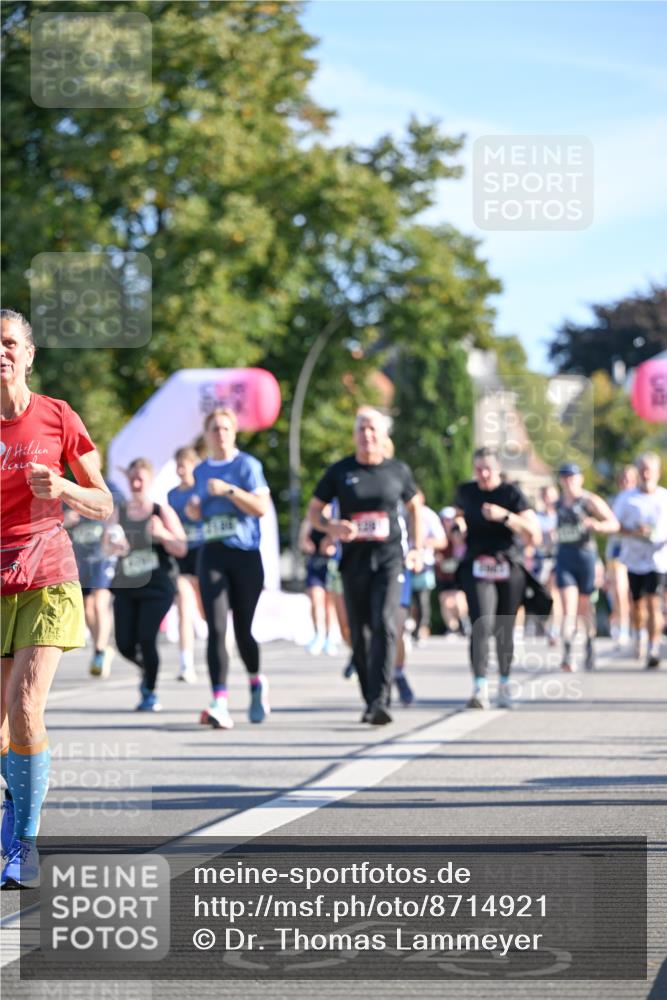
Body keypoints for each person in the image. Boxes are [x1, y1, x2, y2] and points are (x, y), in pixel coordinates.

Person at [0, 308, 112, 888]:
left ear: (29, 354)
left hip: (48, 574)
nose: (1, 352)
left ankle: (25, 841)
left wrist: (64, 485)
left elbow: (105, 501)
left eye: (9, 342)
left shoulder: (57, 416)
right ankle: (11, 814)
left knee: (25, 707)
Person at [308, 407, 423, 725]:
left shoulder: (397, 470)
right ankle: (369, 695)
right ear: (355, 434)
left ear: (383, 435)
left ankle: (380, 699)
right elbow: (314, 512)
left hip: (390, 559)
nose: (367, 435)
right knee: (358, 633)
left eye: (373, 429)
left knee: (385, 623)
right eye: (361, 429)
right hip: (354, 562)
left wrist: (416, 548)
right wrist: (332, 528)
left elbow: (416, 506)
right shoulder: (340, 471)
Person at [185, 408, 271, 729]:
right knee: (217, 629)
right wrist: (194, 510)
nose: (220, 434)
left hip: (245, 556)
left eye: (225, 428)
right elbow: (196, 512)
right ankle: (219, 701)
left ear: (233, 433)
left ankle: (255, 682)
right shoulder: (200, 471)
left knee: (242, 630)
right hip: (212, 555)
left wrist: (230, 491)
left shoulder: (247, 466)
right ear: (206, 435)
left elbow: (261, 508)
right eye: (214, 429)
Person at [454, 447, 542, 709]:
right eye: (478, 468)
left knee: (504, 627)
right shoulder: (467, 491)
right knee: (481, 623)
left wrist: (505, 517)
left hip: (507, 565)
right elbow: (458, 515)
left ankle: (504, 684)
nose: (482, 474)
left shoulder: (511, 493)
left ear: (497, 469)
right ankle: (479, 687)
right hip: (477, 564)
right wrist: (458, 525)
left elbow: (533, 534)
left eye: (487, 469)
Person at [108, 459, 187, 711]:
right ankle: (146, 668)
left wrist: (163, 534)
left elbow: (182, 547)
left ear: (150, 481)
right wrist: (113, 545)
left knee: (146, 637)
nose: (136, 483)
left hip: (158, 586)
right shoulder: (119, 512)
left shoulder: (161, 512)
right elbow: (104, 546)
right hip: (126, 586)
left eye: (141, 478)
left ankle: (149, 692)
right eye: (132, 479)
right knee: (124, 644)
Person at [554, 462, 619, 672]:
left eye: (572, 477)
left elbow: (614, 523)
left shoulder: (589, 501)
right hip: (565, 557)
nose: (568, 481)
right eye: (564, 477)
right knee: (568, 608)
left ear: (580, 479)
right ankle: (568, 653)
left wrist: (597, 525)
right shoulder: (556, 504)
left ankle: (589, 644)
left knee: (585, 609)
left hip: (586, 558)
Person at [64, 477, 123, 678]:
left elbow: (117, 511)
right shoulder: (68, 485)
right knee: (87, 607)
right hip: (82, 558)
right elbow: (53, 520)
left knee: (100, 603)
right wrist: (66, 519)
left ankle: (99, 650)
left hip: (102, 556)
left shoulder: (107, 485)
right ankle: (101, 648)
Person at [614, 452, 667, 669]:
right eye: (643, 469)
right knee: (637, 605)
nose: (646, 474)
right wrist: (634, 532)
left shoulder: (664, 497)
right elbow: (614, 525)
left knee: (654, 602)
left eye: (650, 470)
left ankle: (654, 648)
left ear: (658, 472)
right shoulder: (626, 498)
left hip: (658, 559)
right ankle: (639, 635)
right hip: (634, 559)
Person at [167, 446, 205, 683]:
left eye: (185, 464)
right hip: (181, 553)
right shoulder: (172, 495)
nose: (181, 470)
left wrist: (198, 513)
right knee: (184, 605)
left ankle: (223, 639)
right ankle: (186, 663)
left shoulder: (202, 490)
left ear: (194, 466)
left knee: (205, 608)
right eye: (178, 465)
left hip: (202, 550)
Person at [605, 464, 639, 651]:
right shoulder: (613, 500)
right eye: (624, 478)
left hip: (637, 552)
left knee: (634, 594)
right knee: (618, 590)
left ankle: (637, 628)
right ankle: (623, 628)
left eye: (630, 478)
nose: (627, 481)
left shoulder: (641, 499)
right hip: (617, 551)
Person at [409, 491, 446, 644]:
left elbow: (442, 541)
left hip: (424, 562)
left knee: (421, 599)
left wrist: (421, 544)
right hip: (401, 562)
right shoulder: (400, 512)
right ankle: (405, 628)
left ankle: (421, 628)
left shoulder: (429, 516)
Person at [299, 514, 338, 656]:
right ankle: (318, 634)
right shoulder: (311, 518)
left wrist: (331, 544)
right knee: (316, 599)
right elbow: (302, 542)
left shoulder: (335, 517)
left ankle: (329, 637)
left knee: (329, 604)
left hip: (331, 563)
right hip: (315, 562)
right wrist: (307, 545)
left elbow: (339, 540)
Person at [435, 507, 469, 637]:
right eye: (445, 520)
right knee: (445, 600)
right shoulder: (439, 535)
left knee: (459, 599)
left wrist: (458, 527)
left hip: (458, 575)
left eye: (449, 520)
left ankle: (464, 623)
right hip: (444, 574)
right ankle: (452, 628)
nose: (447, 523)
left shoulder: (459, 532)